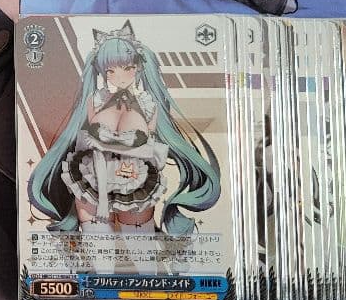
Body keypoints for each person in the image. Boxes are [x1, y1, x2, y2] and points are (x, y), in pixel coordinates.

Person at [28, 21, 220, 234]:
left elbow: (151, 150)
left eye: (127, 68)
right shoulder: (95, 101)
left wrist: (114, 147)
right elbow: (91, 148)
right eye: (110, 71)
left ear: (138, 67)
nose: (119, 77)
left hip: (135, 181)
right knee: (99, 248)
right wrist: (103, 198)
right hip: (93, 179)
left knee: (140, 247)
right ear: (103, 72)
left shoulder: (148, 104)